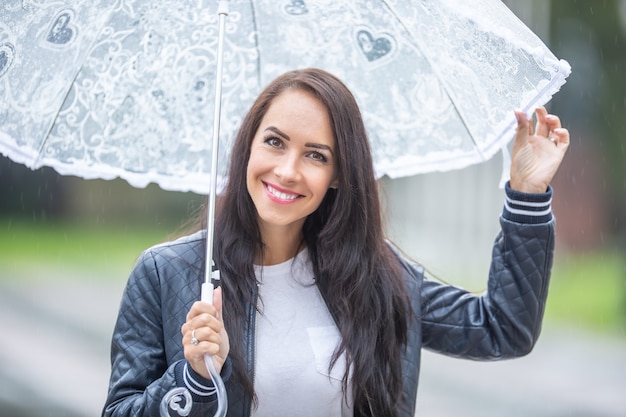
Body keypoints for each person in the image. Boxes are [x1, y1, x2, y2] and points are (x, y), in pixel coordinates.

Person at [102, 68, 569, 417]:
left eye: (315, 155)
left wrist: (527, 196)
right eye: (275, 142)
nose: (287, 170)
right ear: (248, 146)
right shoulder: (169, 275)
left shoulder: (377, 277)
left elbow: (501, 330)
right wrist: (195, 379)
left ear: (338, 175)